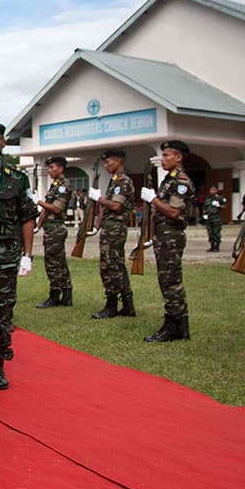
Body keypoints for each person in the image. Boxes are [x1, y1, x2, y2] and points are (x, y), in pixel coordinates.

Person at [0, 125, 38, 389]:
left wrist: (28, 254)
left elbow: (27, 217)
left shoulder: (16, 178)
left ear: (3, 145)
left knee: (1, 313)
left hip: (5, 254)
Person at [141, 141, 195, 341]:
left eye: (166, 155)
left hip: (172, 236)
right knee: (166, 280)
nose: (162, 159)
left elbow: (173, 212)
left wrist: (153, 199)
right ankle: (176, 324)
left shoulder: (180, 182)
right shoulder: (169, 181)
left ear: (178, 157)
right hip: (163, 236)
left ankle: (175, 325)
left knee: (171, 281)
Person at [89, 149, 136, 319]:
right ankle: (127, 305)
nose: (106, 166)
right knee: (117, 265)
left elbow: (116, 206)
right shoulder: (115, 181)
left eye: (108, 162)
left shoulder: (123, 181)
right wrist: (97, 225)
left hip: (115, 229)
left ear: (118, 162)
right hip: (110, 228)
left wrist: (98, 199)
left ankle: (111, 305)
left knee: (110, 266)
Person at [35, 155, 74, 308]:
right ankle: (66, 294)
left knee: (53, 263)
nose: (50, 170)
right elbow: (47, 208)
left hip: (55, 228)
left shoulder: (63, 186)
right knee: (60, 262)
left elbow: (57, 208)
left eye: (52, 167)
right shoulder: (55, 185)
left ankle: (55, 295)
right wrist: (39, 223)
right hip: (51, 227)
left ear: (61, 168)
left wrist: (38, 201)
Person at [202, 184, 226, 251]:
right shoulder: (208, 199)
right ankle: (212, 246)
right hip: (209, 218)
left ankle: (217, 246)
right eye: (211, 189)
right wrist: (204, 214)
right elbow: (204, 207)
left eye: (213, 189)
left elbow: (224, 207)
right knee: (210, 232)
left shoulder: (220, 198)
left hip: (216, 217)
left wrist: (218, 205)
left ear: (216, 190)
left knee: (216, 232)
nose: (212, 191)